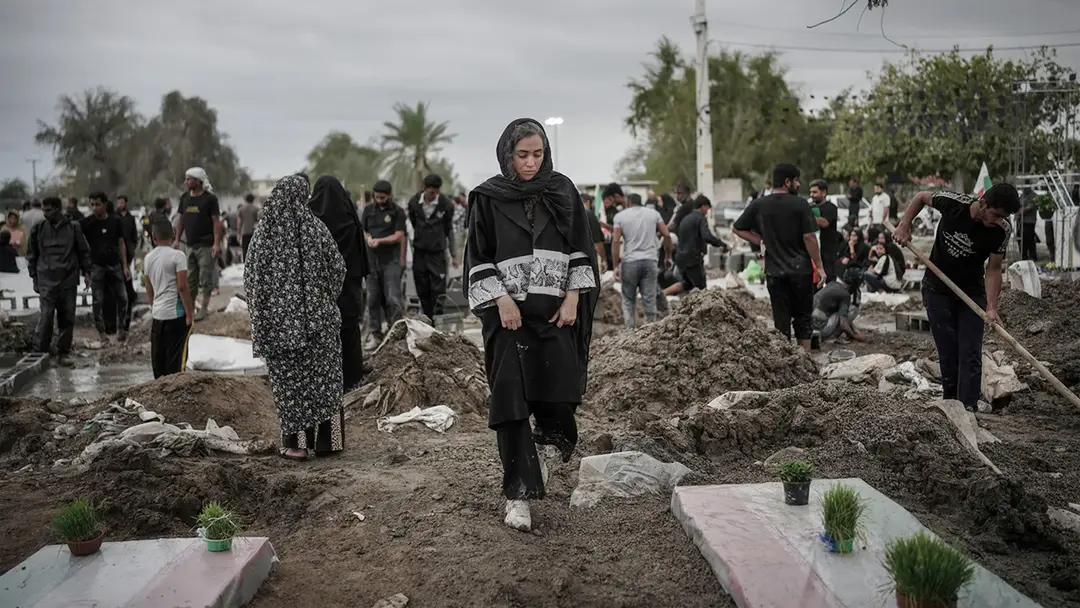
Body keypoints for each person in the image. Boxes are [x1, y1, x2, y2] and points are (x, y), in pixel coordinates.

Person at [464, 118, 598, 532]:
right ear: (507, 154)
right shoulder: (488, 198)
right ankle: (518, 495)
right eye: (522, 155)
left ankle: (547, 447)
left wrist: (574, 296)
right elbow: (477, 257)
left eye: (537, 154)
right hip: (508, 321)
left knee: (559, 396)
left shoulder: (562, 190)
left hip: (555, 314)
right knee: (512, 404)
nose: (530, 163)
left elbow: (580, 246)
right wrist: (502, 299)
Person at [893, 184, 1019, 411]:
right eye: (997, 215)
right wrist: (904, 225)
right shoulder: (953, 203)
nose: (999, 220)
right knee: (948, 351)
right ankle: (951, 406)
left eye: (1004, 217)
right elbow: (921, 196)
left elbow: (993, 268)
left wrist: (991, 307)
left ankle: (967, 408)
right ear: (983, 204)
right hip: (937, 289)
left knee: (970, 351)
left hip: (971, 291)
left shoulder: (1002, 230)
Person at [246, 175, 346, 460]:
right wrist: (323, 300)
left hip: (280, 331)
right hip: (320, 325)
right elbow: (338, 268)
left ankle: (297, 445)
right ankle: (330, 443)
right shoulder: (317, 230)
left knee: (292, 388)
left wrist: (266, 313)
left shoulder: (262, 237)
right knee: (325, 383)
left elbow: (251, 280)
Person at [733, 163, 827, 351]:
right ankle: (804, 362)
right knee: (803, 319)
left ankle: (785, 364)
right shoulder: (800, 204)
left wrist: (761, 239)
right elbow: (809, 237)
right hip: (800, 272)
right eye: (796, 180)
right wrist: (820, 266)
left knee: (781, 322)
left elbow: (737, 228)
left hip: (775, 273)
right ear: (787, 182)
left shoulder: (759, 204)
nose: (799, 184)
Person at [309, 175, 369, 391]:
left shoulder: (311, 221)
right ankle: (352, 378)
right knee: (349, 330)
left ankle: (326, 382)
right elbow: (360, 253)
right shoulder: (350, 218)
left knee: (324, 335)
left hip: (320, 288)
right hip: (349, 286)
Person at [27, 197, 92, 366]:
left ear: (58, 209)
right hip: (46, 279)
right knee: (46, 316)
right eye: (43, 210)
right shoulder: (39, 228)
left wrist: (87, 273)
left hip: (68, 279)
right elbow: (32, 255)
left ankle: (64, 352)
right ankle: (41, 351)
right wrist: (34, 277)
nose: (45, 213)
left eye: (48, 210)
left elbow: (84, 251)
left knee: (66, 317)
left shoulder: (73, 227)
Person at [612, 193, 672, 327]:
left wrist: (616, 265)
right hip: (650, 261)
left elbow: (616, 241)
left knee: (628, 300)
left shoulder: (620, 217)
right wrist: (668, 256)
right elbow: (667, 235)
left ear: (628, 202)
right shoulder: (653, 214)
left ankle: (629, 333)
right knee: (649, 300)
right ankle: (649, 333)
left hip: (630, 262)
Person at [143, 222, 194, 378]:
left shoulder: (148, 258)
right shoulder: (178, 256)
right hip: (175, 316)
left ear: (154, 237)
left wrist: (154, 306)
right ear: (173, 234)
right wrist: (189, 314)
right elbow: (183, 287)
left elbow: (148, 286)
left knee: (159, 362)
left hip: (158, 316)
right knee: (176, 363)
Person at [361, 180, 406, 348]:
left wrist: (380, 240)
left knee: (393, 298)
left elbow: (399, 235)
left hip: (391, 261)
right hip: (372, 262)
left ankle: (396, 333)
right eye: (377, 197)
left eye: (382, 197)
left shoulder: (397, 212)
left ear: (389, 195)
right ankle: (375, 335)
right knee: (372, 299)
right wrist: (369, 239)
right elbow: (364, 231)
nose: (379, 200)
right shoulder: (368, 211)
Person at [407, 174, 458, 320]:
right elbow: (413, 222)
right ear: (424, 189)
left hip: (437, 253)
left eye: (436, 192)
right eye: (431, 192)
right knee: (422, 286)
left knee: (438, 288)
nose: (433, 195)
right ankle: (426, 318)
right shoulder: (414, 203)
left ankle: (438, 319)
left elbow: (449, 230)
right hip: (420, 252)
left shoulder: (446, 205)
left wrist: (454, 255)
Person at [173, 167, 221, 321]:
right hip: (189, 245)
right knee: (190, 280)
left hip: (206, 246)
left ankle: (205, 308)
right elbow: (181, 219)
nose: (186, 182)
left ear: (198, 181)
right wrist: (176, 239)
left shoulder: (210, 199)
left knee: (206, 278)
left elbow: (216, 222)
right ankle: (191, 308)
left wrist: (216, 243)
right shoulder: (185, 198)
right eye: (186, 179)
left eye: (189, 179)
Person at [81, 192, 130, 342]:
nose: (95, 208)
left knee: (123, 298)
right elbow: (82, 249)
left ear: (105, 204)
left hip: (114, 264)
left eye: (98, 204)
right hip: (97, 266)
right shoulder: (87, 224)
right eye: (92, 205)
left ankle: (121, 329)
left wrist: (125, 266)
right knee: (97, 301)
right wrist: (86, 273)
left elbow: (121, 244)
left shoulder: (115, 221)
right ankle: (101, 332)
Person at [671, 195, 723, 292]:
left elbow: (690, 239)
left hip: (681, 258)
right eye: (707, 208)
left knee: (687, 285)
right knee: (701, 288)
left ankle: (662, 294)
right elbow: (706, 236)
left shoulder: (686, 219)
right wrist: (721, 244)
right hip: (693, 259)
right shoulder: (700, 218)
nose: (707, 211)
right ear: (703, 206)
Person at [813, 267, 869, 343]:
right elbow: (843, 324)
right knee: (853, 309)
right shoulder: (845, 294)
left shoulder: (832, 284)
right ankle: (831, 338)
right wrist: (855, 336)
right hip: (820, 330)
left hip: (810, 328)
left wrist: (855, 330)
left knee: (842, 313)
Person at [809, 179, 841, 283]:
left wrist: (807, 216)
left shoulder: (830, 207)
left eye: (815, 192)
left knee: (829, 278)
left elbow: (824, 223)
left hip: (828, 250)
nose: (811, 195)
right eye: (810, 192)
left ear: (823, 193)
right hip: (814, 249)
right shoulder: (810, 207)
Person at [116, 195, 139, 329]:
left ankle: (130, 295)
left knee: (126, 272)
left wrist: (132, 247)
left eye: (121, 202)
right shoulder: (115, 216)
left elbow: (134, 235)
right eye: (118, 202)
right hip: (118, 251)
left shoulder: (130, 218)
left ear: (126, 203)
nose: (120, 204)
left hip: (128, 250)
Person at [598, 183, 625, 270]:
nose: (607, 202)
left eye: (610, 199)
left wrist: (604, 225)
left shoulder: (620, 211)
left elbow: (619, 230)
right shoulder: (607, 211)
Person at [1016, 188, 1038, 262]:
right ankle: (1023, 256)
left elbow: (1030, 207)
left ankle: (1032, 256)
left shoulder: (1033, 196)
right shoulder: (1021, 196)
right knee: (1020, 239)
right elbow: (1017, 206)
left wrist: (1020, 211)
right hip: (1020, 221)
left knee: (1029, 239)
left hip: (1029, 221)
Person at [237, 193, 260, 262]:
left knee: (245, 249)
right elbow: (258, 221)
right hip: (254, 232)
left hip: (244, 232)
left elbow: (239, 223)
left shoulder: (241, 209)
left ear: (245, 200)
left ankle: (245, 262)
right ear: (253, 200)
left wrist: (238, 233)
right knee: (254, 249)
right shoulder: (256, 209)